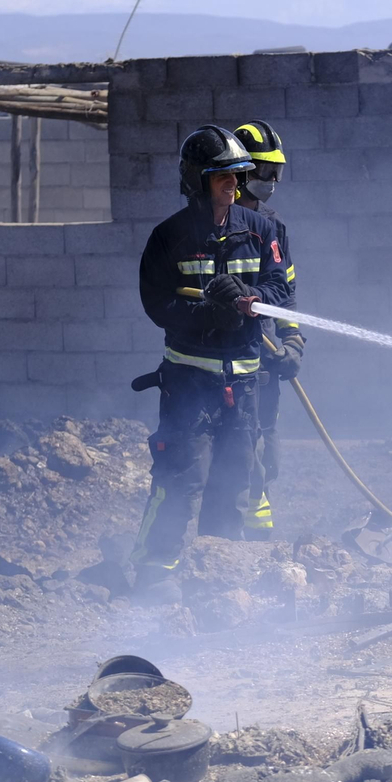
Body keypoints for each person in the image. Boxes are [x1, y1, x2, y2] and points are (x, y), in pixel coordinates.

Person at [125, 125, 291, 605]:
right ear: (198, 180)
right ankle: (154, 573)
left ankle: (216, 572)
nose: (233, 185)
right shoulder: (169, 237)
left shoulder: (261, 231)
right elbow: (157, 304)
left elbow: (281, 289)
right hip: (189, 381)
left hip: (243, 382)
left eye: (237, 175)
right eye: (223, 176)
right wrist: (207, 314)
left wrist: (249, 296)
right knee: (181, 476)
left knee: (234, 478)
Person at [224, 120, 303, 541]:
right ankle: (228, 528)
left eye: (276, 172)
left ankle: (258, 520)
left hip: (265, 351)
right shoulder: (216, 222)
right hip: (224, 354)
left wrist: (291, 340)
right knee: (232, 440)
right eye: (263, 172)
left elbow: (285, 291)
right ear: (239, 173)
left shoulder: (273, 226)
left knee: (264, 438)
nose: (270, 181)